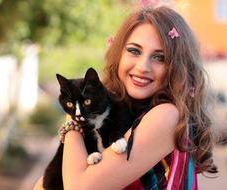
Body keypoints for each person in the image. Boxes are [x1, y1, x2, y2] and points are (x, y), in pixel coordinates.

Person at [34, 5, 217, 190]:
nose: (142, 67)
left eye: (159, 58)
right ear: (119, 53)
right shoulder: (121, 112)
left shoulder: (167, 115)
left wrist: (74, 117)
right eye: (134, 51)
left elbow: (78, 187)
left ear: (177, 68)